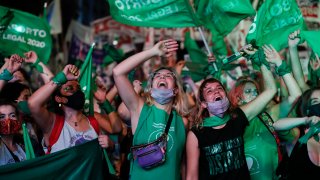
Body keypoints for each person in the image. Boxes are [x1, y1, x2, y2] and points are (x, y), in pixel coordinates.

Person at [186, 45, 277, 180]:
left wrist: (260, 61)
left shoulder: (237, 118)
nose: (216, 91)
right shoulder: (196, 134)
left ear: (226, 95)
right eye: (209, 91)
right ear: (204, 104)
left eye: (219, 88)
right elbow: (192, 176)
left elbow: (270, 91)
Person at [113, 39, 189, 180]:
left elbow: (183, 163)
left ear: (176, 90)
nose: (162, 77)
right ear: (151, 89)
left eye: (168, 76)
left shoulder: (183, 123)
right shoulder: (139, 110)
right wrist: (153, 52)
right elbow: (118, 72)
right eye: (157, 76)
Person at [228, 45, 301, 179]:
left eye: (256, 91)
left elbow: (296, 96)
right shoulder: (231, 121)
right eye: (248, 92)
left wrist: (280, 64)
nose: (254, 95)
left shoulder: (267, 115)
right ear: (237, 99)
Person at [27, 64, 113, 154]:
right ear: (59, 99)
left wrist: (110, 145)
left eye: (78, 88)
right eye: (69, 88)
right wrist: (62, 77)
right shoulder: (52, 124)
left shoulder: (92, 122)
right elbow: (33, 104)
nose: (76, 91)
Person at [273, 87, 320, 179]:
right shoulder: (298, 135)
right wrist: (306, 120)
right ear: (307, 109)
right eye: (315, 102)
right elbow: (276, 125)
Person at [0, 100, 44, 166]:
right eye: (2, 117)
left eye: (12, 115)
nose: (8, 120)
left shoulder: (30, 143)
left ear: (18, 119)